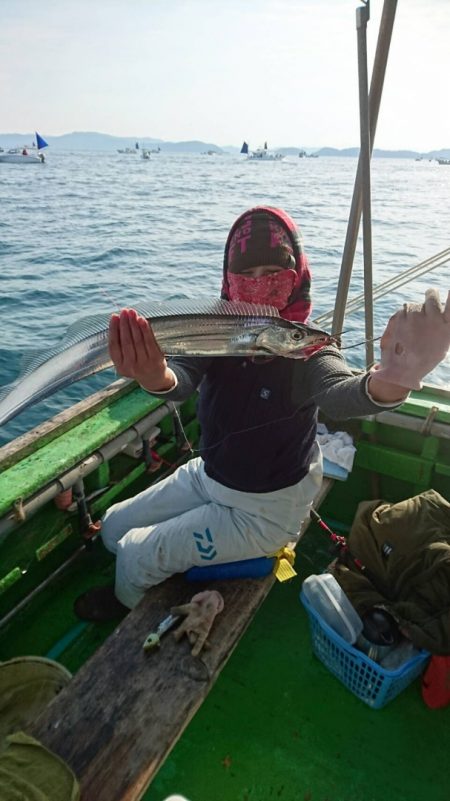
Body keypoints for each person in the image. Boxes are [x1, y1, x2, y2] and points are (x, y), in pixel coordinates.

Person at [74, 206, 450, 622]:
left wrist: (396, 378)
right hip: (210, 475)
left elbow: (340, 394)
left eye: (274, 270)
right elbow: (179, 377)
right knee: (112, 528)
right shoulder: (215, 330)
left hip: (266, 509)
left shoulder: (307, 346)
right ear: (227, 277)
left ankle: (122, 607)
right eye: (245, 273)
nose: (258, 284)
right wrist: (153, 374)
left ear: (298, 275)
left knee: (133, 555)